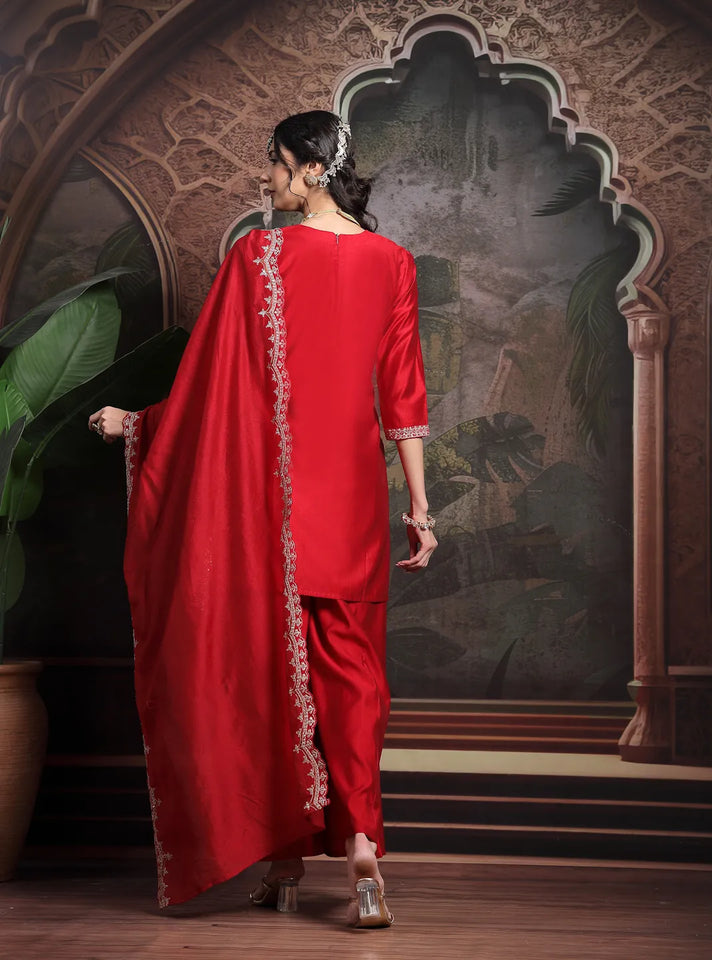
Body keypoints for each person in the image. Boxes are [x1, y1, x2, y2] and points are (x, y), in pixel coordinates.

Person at [89, 110, 436, 928]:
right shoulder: (393, 262)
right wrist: (420, 508)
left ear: (314, 170)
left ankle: (283, 857)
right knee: (351, 677)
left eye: (277, 164)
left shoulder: (260, 257)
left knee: (272, 670)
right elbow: (404, 395)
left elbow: (212, 390)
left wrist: (137, 426)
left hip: (268, 503)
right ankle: (358, 851)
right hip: (353, 501)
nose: (267, 178)